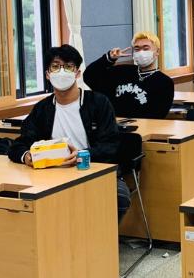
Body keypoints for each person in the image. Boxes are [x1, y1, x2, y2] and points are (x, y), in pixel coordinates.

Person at [9, 45, 131, 218]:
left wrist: (81, 155)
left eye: (68, 67)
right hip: (51, 174)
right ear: (47, 74)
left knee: (120, 198)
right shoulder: (42, 109)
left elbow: (111, 146)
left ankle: (101, 234)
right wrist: (27, 156)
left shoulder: (98, 103)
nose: (61, 72)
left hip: (92, 169)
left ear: (77, 73)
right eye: (55, 66)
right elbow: (19, 144)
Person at [83, 31, 175, 119]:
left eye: (146, 48)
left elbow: (158, 115)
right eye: (137, 49)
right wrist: (109, 59)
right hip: (114, 125)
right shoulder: (122, 72)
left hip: (143, 126)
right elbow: (89, 76)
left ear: (157, 52)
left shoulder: (165, 82)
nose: (141, 52)